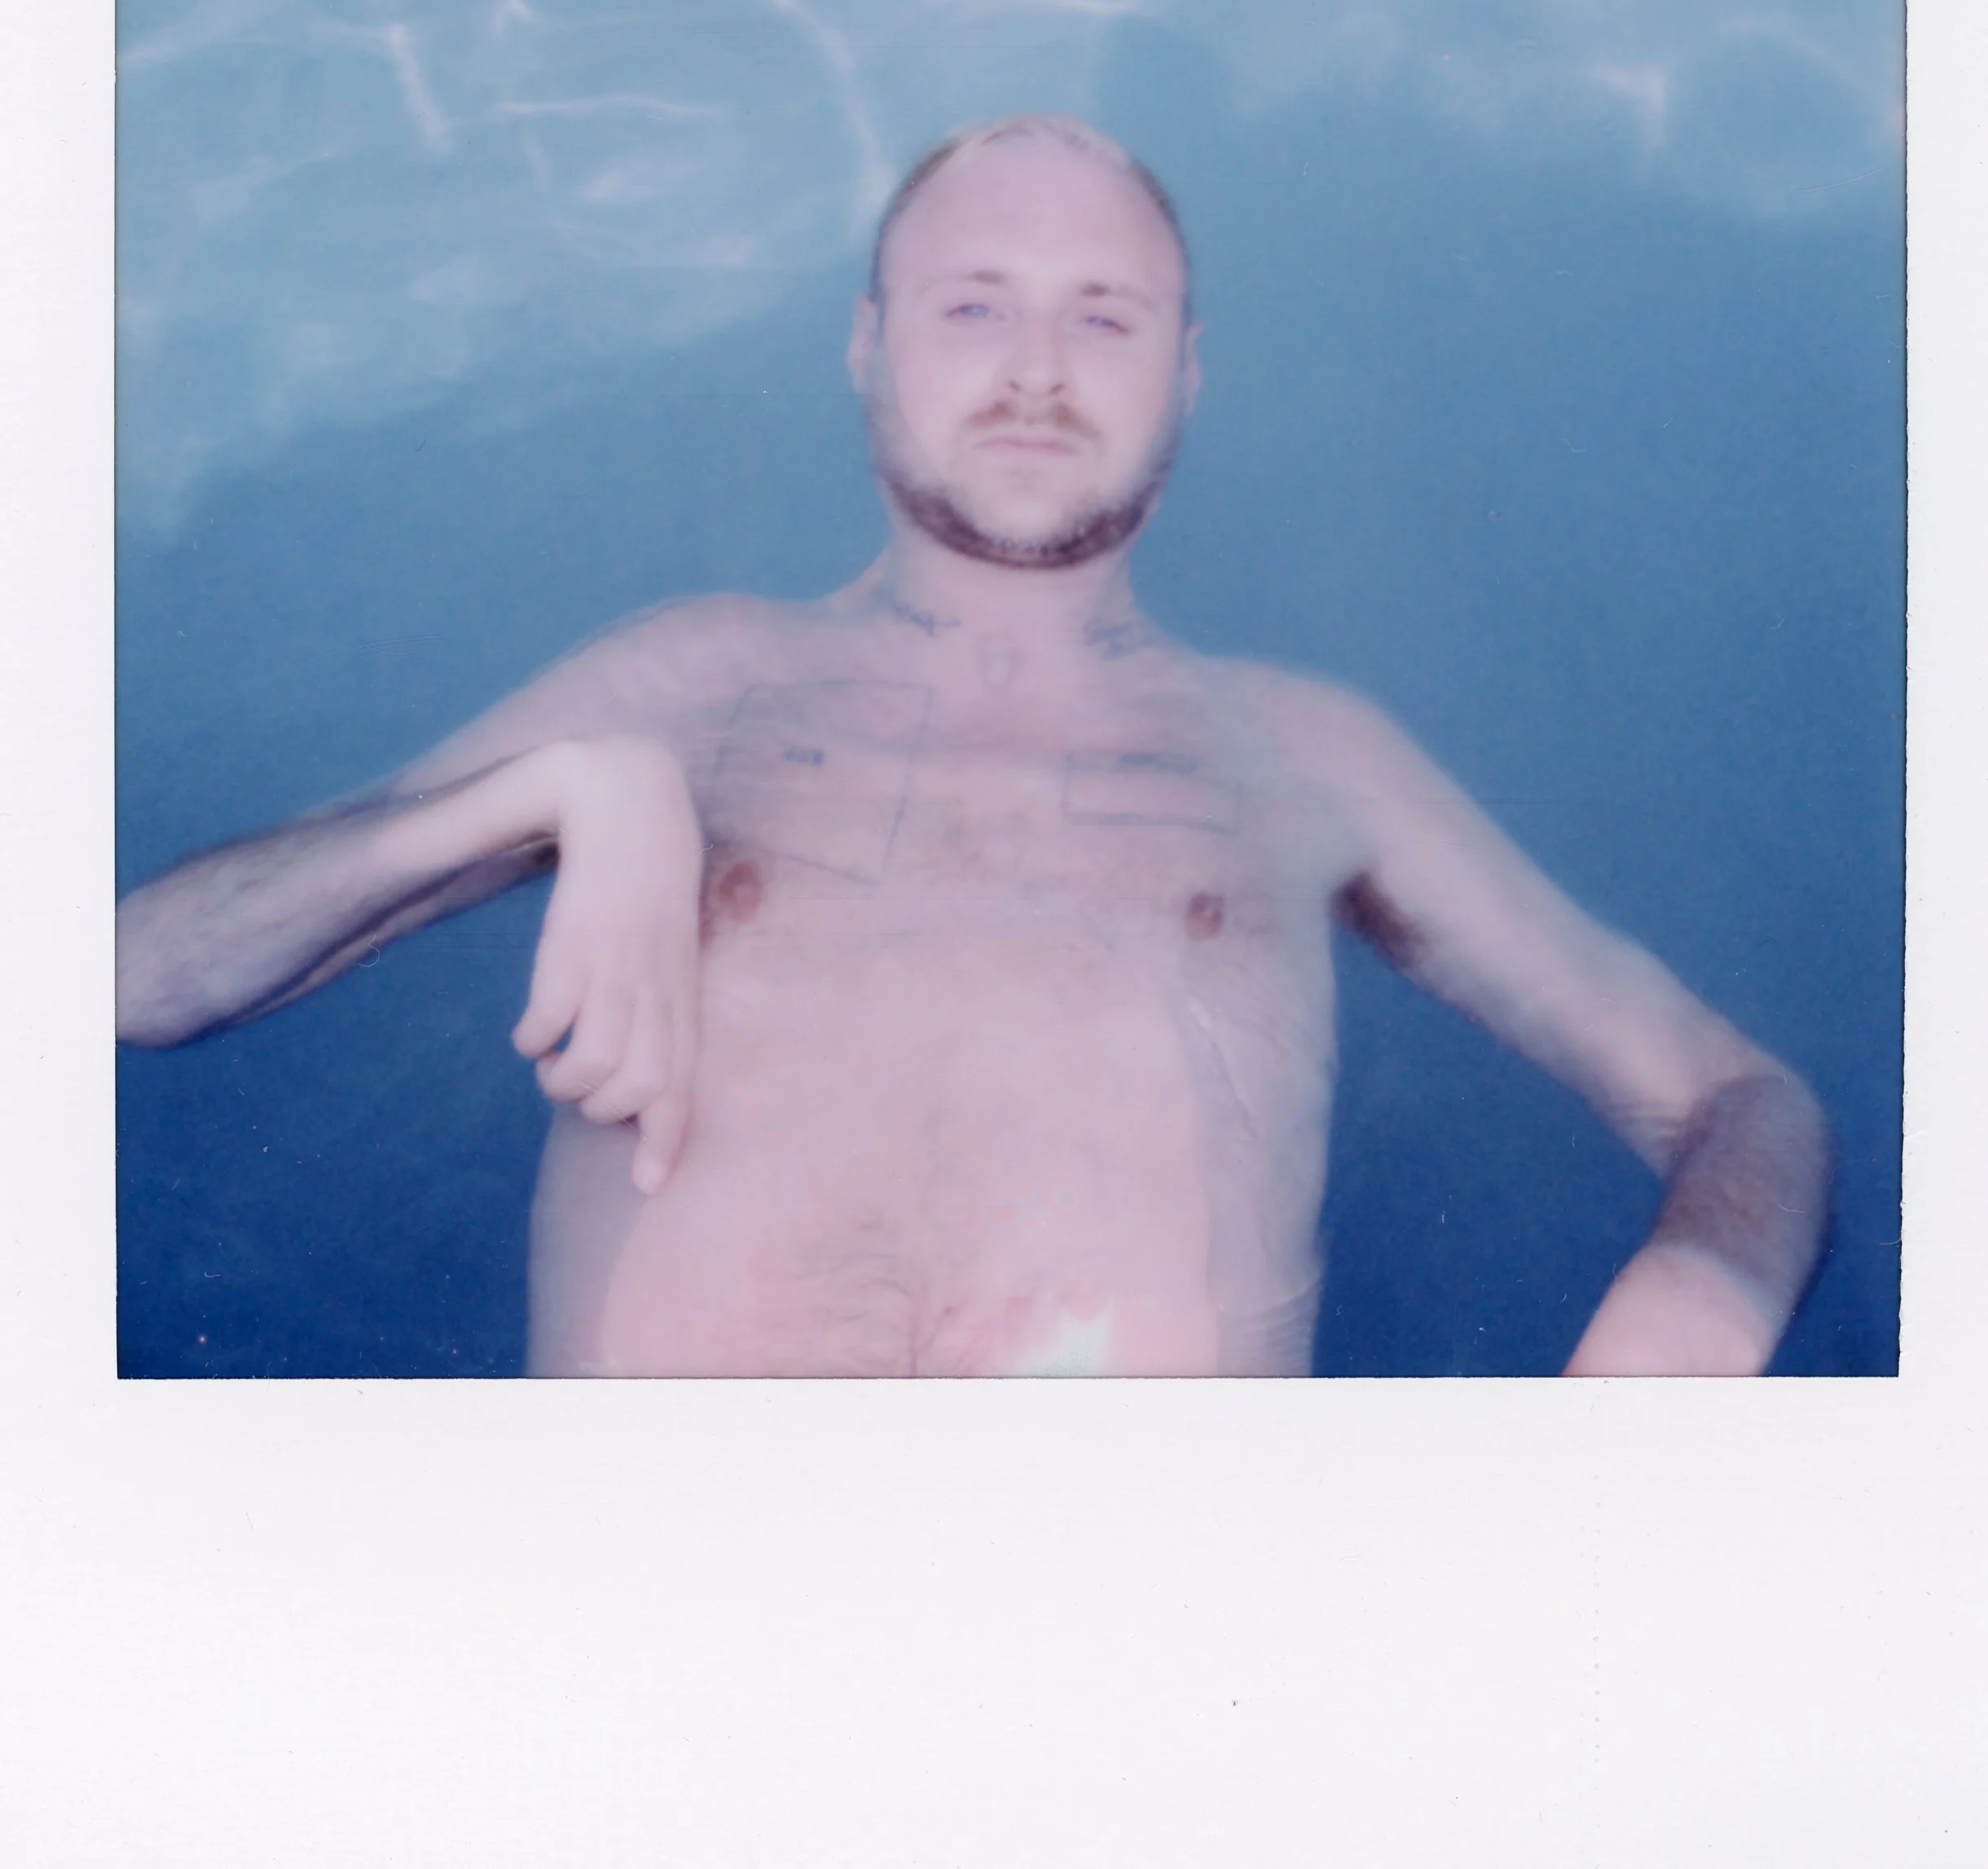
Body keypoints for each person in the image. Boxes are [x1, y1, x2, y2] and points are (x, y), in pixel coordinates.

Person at [116, 114, 1832, 1378]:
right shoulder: (697, 684)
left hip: (1147, 1673)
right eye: (969, 308)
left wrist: (1691, 1308)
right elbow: (134, 975)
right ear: (865, 348)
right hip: (665, 1632)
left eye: (1102, 316)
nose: (1033, 370)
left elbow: (1741, 1101)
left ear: (1187, 373)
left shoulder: (1305, 756)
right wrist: (550, 793)